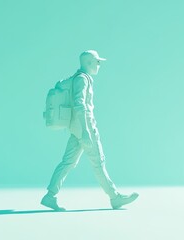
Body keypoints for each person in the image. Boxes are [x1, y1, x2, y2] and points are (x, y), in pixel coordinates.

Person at [41, 50, 139, 211]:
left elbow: (60, 86)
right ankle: (115, 198)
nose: (99, 65)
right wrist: (86, 131)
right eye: (97, 62)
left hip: (75, 128)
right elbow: (80, 105)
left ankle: (49, 196)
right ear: (89, 63)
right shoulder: (83, 79)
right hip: (84, 127)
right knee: (98, 163)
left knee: (68, 162)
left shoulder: (75, 78)